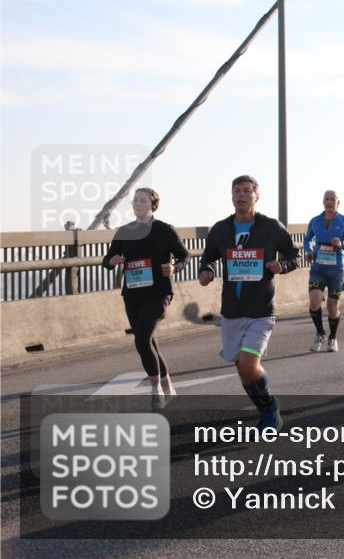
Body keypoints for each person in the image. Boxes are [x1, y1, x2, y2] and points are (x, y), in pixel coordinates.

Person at [198, 175, 299, 430]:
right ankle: (263, 407)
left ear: (256, 196)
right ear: (231, 196)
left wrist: (282, 266)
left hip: (261, 309)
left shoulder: (271, 227)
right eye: (236, 191)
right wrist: (207, 272)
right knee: (242, 369)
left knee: (248, 364)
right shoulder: (220, 230)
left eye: (246, 191)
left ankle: (269, 409)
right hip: (231, 310)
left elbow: (293, 256)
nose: (240, 195)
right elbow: (208, 259)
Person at [102, 188, 190, 407]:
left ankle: (156, 388)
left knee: (141, 340)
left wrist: (175, 267)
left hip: (159, 292)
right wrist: (111, 262)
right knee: (148, 341)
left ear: (153, 205)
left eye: (142, 200)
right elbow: (106, 260)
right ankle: (168, 385)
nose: (137, 203)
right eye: (135, 200)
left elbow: (185, 256)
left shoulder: (164, 230)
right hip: (132, 293)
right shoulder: (124, 231)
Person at [304, 190, 344, 353]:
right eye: (326, 199)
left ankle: (332, 337)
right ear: (323, 202)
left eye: (332, 199)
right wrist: (308, 251)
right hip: (318, 268)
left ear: (338, 203)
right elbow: (307, 239)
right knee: (315, 300)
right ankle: (320, 334)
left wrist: (341, 245)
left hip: (336, 270)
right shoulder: (315, 221)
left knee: (332, 307)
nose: (329, 202)